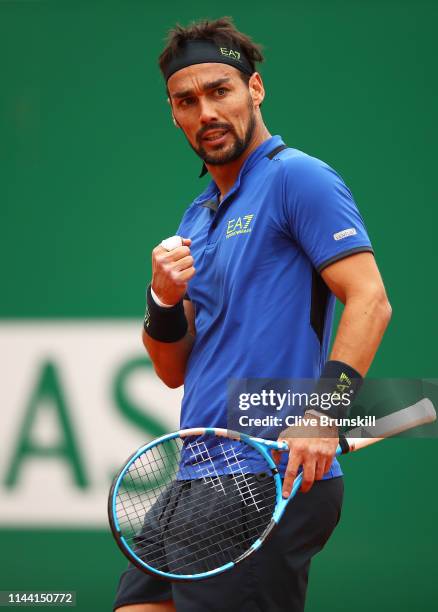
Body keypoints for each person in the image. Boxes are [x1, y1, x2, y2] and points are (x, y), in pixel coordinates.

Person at [114, 16, 392, 612]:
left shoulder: (298, 178)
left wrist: (323, 414)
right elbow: (172, 369)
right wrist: (161, 299)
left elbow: (370, 300)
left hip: (264, 475)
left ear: (254, 90)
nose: (206, 112)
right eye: (187, 101)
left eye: (221, 91)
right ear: (174, 113)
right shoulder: (197, 216)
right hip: (195, 475)